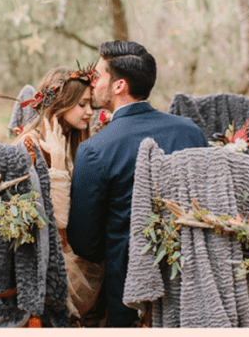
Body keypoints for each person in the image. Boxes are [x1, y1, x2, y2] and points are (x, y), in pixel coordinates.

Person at [66, 40, 208, 327]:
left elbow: (85, 244)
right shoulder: (190, 132)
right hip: (193, 286)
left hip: (129, 298)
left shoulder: (96, 149)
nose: (92, 83)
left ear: (119, 86)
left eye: (98, 75)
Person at [13, 65, 105, 323]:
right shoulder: (29, 145)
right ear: (61, 104)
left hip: (65, 242)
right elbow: (55, 222)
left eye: (91, 106)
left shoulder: (72, 140)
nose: (89, 112)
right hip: (40, 251)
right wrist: (58, 166)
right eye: (83, 104)